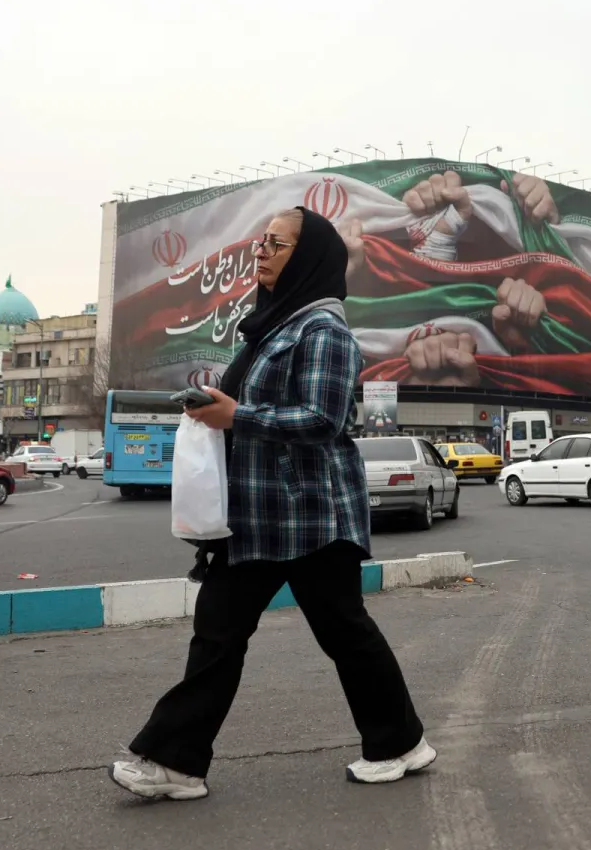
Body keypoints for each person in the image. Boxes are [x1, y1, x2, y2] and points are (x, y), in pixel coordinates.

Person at [110, 207, 433, 801]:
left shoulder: (323, 331)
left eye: (276, 244)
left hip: (310, 518)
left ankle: (399, 744)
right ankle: (174, 762)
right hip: (257, 520)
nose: (260, 252)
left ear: (307, 259)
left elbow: (323, 419)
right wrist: (215, 403)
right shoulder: (272, 326)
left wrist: (236, 413)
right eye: (260, 242)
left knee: (345, 635)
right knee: (218, 634)